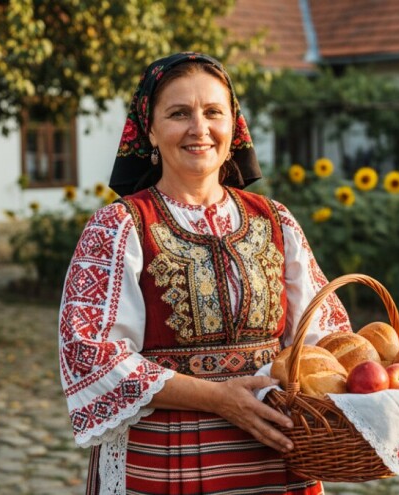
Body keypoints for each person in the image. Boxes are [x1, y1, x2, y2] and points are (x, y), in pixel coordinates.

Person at [58, 52, 351, 495]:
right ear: (150, 130)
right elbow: (90, 355)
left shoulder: (275, 220)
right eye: (178, 114)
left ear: (234, 126)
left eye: (213, 112)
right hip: (163, 460)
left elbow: (324, 336)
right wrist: (220, 398)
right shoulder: (118, 227)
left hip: (278, 456)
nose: (199, 129)